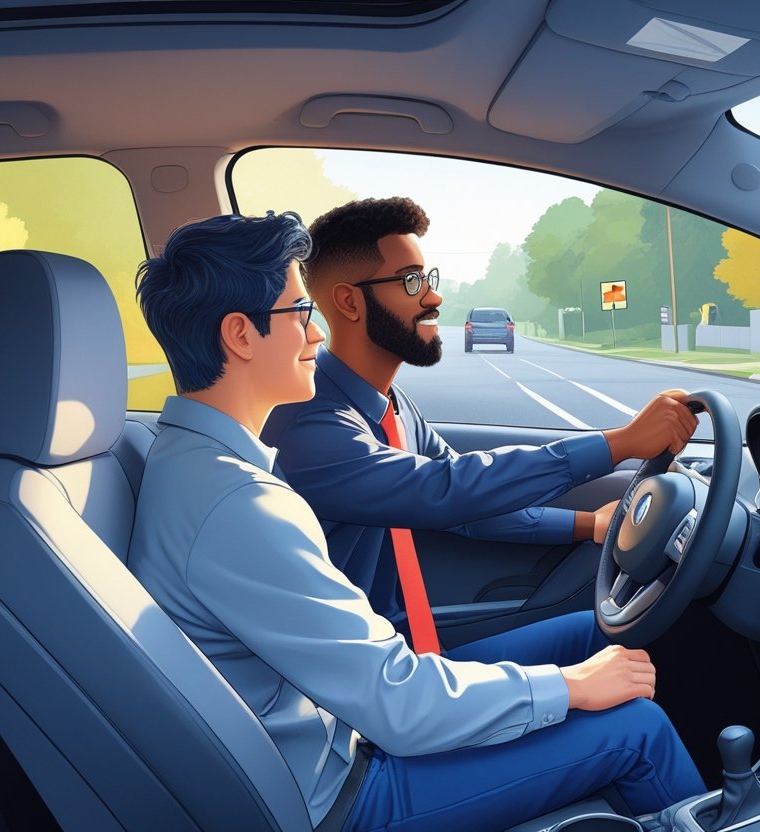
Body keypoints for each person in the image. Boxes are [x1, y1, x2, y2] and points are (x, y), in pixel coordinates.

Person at [127, 211, 705, 832]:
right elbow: (397, 701)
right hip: (343, 785)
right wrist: (571, 688)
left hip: (342, 721)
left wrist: (585, 527)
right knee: (637, 730)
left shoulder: (194, 462)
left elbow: (462, 495)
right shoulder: (242, 503)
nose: (316, 333)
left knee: (603, 635)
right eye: (299, 312)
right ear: (241, 335)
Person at [262, 196, 698, 657]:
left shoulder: (392, 406)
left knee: (611, 638)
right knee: (624, 670)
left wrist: (587, 524)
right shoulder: (310, 424)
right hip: (359, 671)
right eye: (410, 281)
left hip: (400, 647)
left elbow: (471, 506)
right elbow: (447, 488)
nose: (434, 297)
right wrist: (620, 444)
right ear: (349, 301)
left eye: (428, 278)